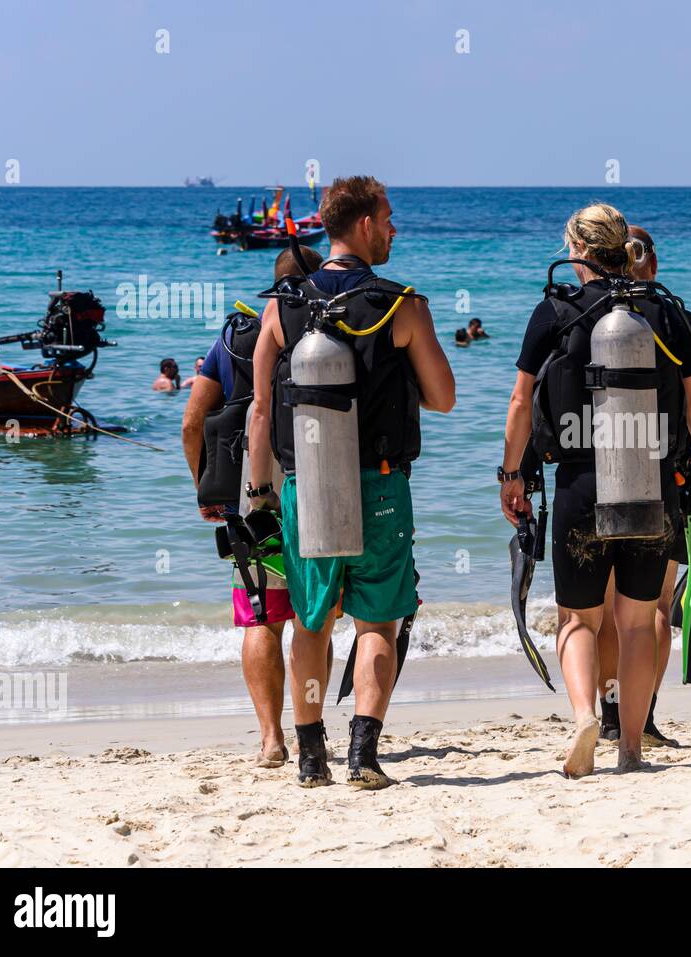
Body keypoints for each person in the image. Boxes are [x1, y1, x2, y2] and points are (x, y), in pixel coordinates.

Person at [248, 175, 455, 789]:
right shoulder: (403, 304)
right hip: (382, 488)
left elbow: (260, 411)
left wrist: (259, 496)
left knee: (312, 623)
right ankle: (363, 754)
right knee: (377, 624)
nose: (394, 229)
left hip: (303, 487)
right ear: (363, 224)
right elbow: (443, 398)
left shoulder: (280, 306)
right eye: (389, 218)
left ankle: (311, 757)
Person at [499, 203, 691, 777]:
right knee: (638, 619)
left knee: (578, 620)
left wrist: (511, 474)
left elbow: (522, 402)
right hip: (653, 485)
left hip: (579, 484)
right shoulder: (666, 312)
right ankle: (632, 749)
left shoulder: (553, 311)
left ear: (576, 251)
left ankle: (583, 718)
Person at [594, 225, 691, 745]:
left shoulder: (589, 317)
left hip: (599, 477)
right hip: (670, 477)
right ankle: (643, 718)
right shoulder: (681, 321)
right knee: (653, 607)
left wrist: (521, 473)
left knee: (608, 610)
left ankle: (610, 714)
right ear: (652, 266)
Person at [181, 247, 333, 768]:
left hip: (252, 494)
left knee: (261, 617)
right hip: (317, 483)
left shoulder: (234, 337)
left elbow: (192, 423)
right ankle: (312, 729)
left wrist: (209, 490)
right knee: (314, 618)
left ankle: (272, 739)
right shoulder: (330, 329)